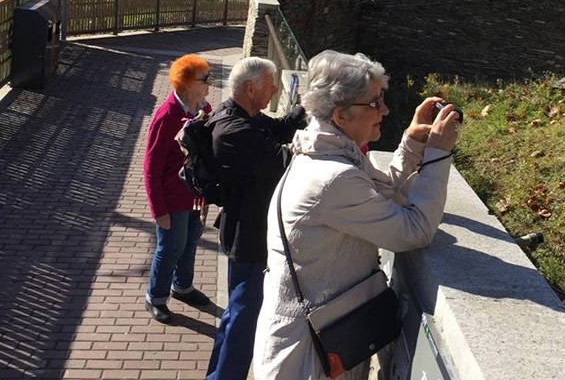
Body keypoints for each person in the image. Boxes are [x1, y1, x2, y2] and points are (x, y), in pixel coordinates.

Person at [252, 50, 460, 380]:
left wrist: (412, 142)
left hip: (317, 342)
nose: (385, 110)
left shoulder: (327, 152)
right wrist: (437, 155)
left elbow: (383, 192)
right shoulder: (333, 176)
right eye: (375, 102)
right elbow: (414, 231)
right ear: (341, 115)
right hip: (308, 359)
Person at [205, 57, 306, 380]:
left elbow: (278, 128)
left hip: (246, 232)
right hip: (248, 239)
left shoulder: (243, 116)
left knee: (236, 315)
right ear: (250, 88)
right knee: (244, 319)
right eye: (270, 85)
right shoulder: (233, 131)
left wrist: (308, 106)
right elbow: (285, 160)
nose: (275, 90)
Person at [144, 54, 213, 324]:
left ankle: (182, 286)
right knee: (171, 246)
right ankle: (156, 297)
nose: (209, 83)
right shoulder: (167, 116)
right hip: (172, 198)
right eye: (204, 79)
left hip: (195, 195)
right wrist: (157, 209)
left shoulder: (202, 110)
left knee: (192, 239)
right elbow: (151, 166)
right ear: (186, 82)